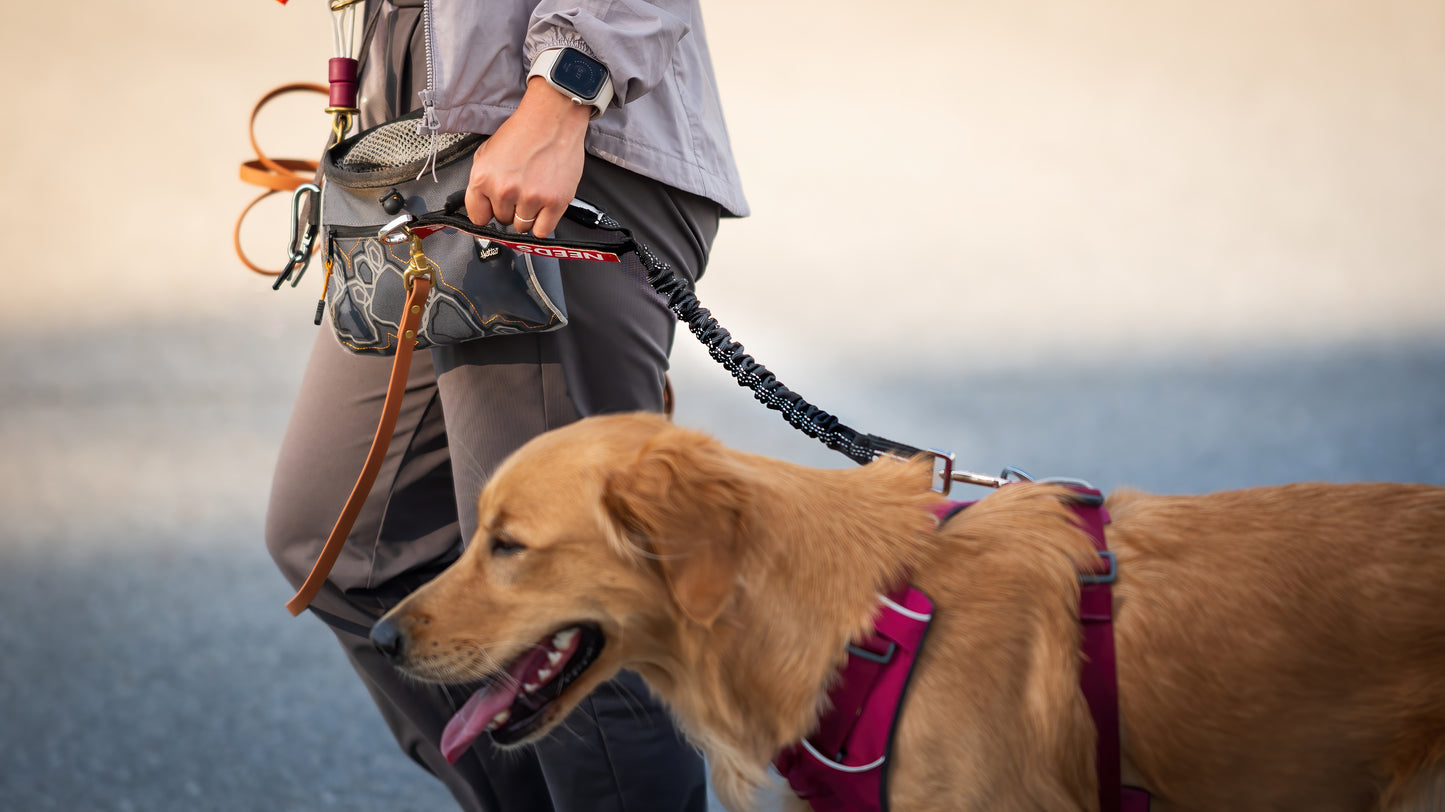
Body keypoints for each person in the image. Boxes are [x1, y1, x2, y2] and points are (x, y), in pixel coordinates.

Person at [264, 1, 748, 810]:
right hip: (428, 158)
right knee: (337, 544)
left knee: (572, 602)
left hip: (556, 151)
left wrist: (563, 96)